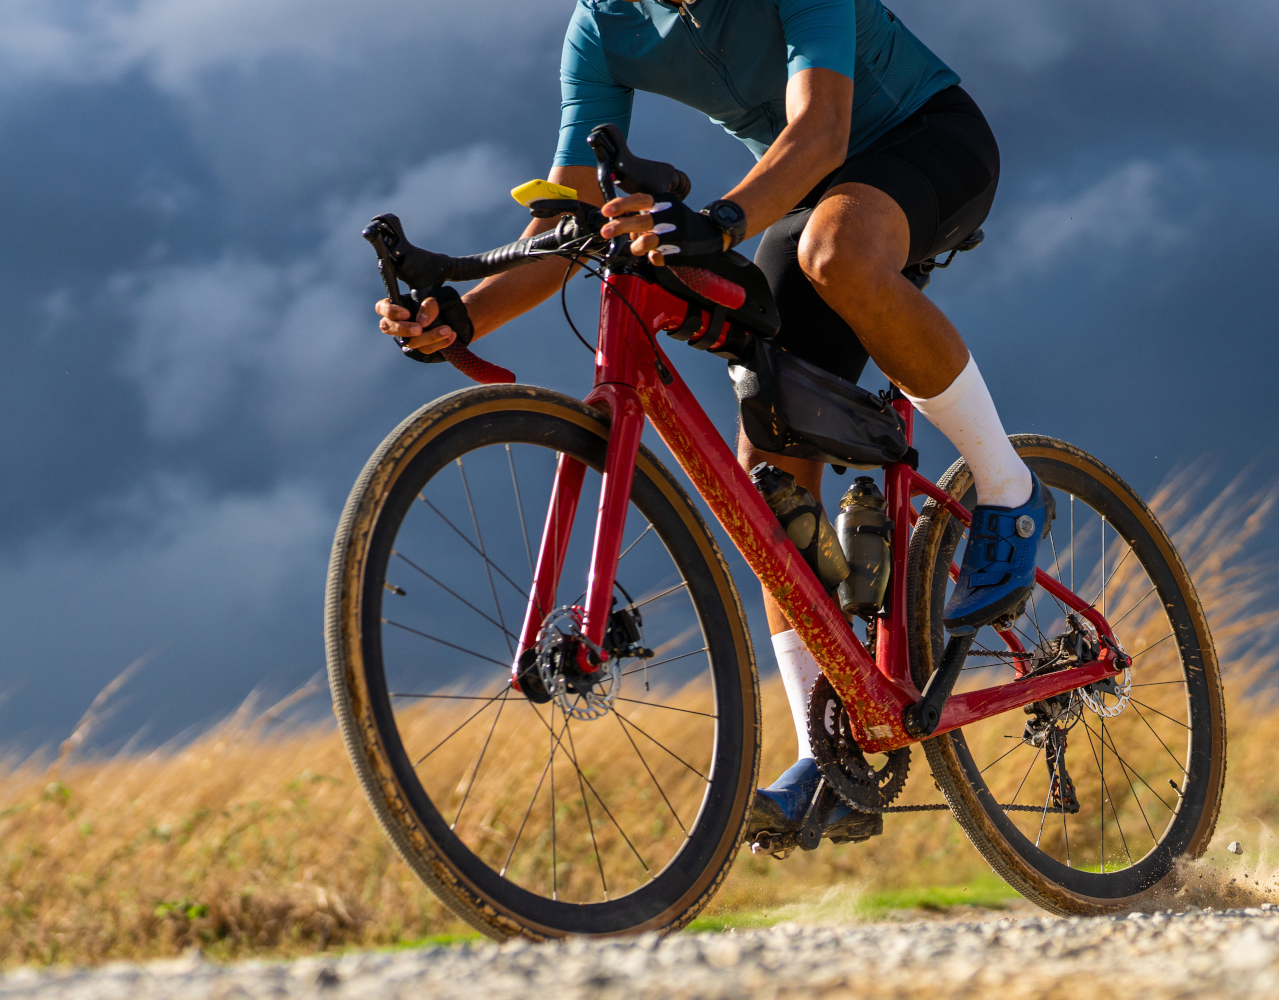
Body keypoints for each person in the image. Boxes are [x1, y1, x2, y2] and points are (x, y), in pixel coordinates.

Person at [375, 0, 1047, 846]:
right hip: (804, 193)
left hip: (923, 143)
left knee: (837, 253)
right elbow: (564, 218)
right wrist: (463, 316)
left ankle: (1008, 487)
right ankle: (828, 761)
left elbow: (823, 130)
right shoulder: (605, 25)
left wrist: (721, 221)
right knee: (765, 480)